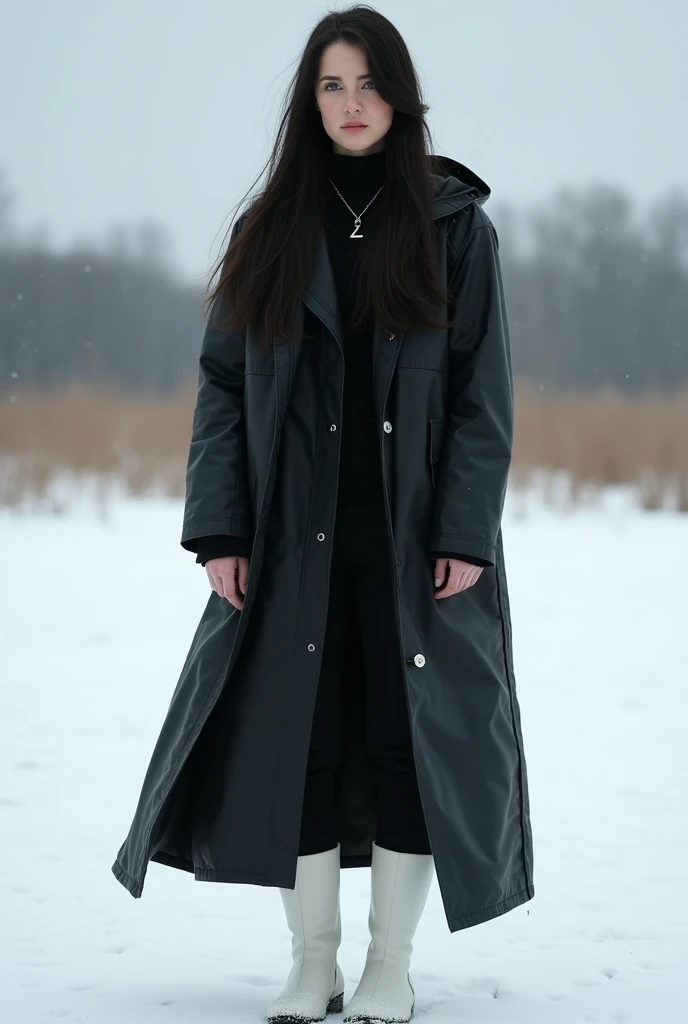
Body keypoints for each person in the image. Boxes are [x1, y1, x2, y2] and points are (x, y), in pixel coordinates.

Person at [111, 7, 535, 1024]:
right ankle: (313, 960)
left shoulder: (451, 230)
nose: (351, 107)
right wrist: (219, 528)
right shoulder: (270, 232)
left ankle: (390, 962)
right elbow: (221, 387)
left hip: (415, 551)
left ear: (399, 95)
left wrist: (463, 532)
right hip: (287, 544)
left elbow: (482, 398)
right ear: (311, 103)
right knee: (297, 741)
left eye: (368, 85)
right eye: (331, 87)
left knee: (407, 745)